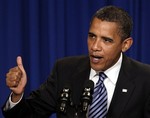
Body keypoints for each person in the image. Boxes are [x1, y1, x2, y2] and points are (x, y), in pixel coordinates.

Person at [2, 5, 150, 118]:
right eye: (92, 36)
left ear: (126, 44)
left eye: (106, 40)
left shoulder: (145, 78)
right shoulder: (65, 70)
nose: (95, 46)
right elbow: (28, 114)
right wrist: (17, 95)